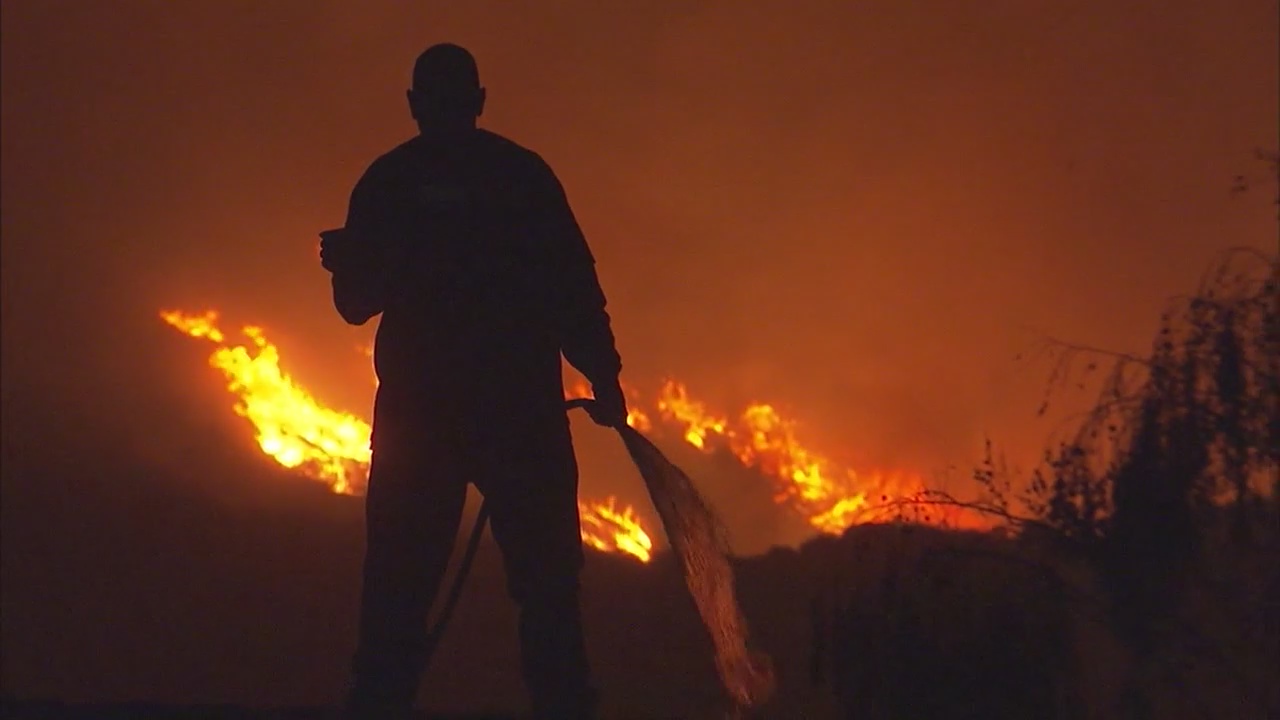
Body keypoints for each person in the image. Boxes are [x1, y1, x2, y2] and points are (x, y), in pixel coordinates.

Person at [319, 43, 626, 720]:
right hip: (519, 418)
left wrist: (348, 263)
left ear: (415, 105)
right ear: (480, 101)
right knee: (547, 593)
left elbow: (353, 304)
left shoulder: (389, 182)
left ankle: (380, 704)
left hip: (419, 424)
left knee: (397, 592)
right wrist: (602, 373)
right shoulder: (522, 177)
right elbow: (573, 288)